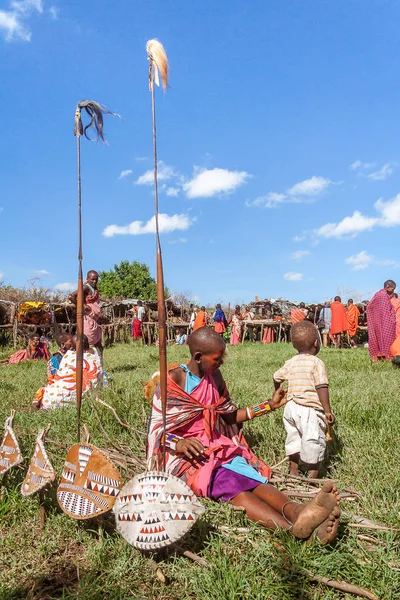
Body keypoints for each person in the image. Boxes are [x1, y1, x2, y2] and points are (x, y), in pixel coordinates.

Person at [147, 328, 340, 543]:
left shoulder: (215, 377)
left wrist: (269, 405)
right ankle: (290, 529)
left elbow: (230, 417)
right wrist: (179, 442)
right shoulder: (173, 380)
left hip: (217, 447)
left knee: (250, 477)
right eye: (217, 359)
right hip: (184, 457)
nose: (221, 363)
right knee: (228, 482)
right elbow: (157, 431)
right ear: (198, 357)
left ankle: (298, 512)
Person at [273, 321, 334, 479]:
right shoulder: (317, 363)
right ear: (316, 343)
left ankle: (293, 471)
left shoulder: (291, 361)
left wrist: (278, 391)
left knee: (294, 437)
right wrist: (327, 411)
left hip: (291, 408)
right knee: (313, 439)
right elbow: (322, 386)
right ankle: (312, 477)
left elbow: (276, 376)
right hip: (310, 410)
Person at [34, 334, 103, 410]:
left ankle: (41, 406)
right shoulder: (97, 353)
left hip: (64, 395)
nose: (70, 346)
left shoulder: (69, 355)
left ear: (73, 347)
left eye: (71, 343)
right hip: (91, 396)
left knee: (47, 392)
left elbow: (59, 376)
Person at [69, 270, 103, 359]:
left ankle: (99, 364)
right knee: (85, 343)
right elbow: (71, 296)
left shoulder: (95, 289)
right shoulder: (85, 287)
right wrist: (82, 306)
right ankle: (85, 364)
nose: (94, 281)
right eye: (92, 279)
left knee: (99, 344)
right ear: (87, 279)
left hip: (94, 319)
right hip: (87, 319)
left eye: (96, 279)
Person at [366, 280, 397, 362]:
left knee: (378, 337)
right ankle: (387, 356)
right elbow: (387, 310)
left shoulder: (377, 294)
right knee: (388, 336)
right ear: (387, 287)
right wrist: (392, 320)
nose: (393, 292)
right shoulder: (383, 296)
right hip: (385, 322)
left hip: (378, 322)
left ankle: (378, 356)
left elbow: (369, 307)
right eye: (392, 289)